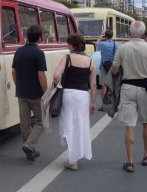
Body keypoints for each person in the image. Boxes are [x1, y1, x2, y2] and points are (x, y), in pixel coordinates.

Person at [53, 34, 97, 171]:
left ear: (73, 45)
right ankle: (75, 157)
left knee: (68, 124)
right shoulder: (90, 61)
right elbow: (94, 84)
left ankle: (72, 160)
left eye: (68, 44)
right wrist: (93, 102)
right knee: (81, 124)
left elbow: (56, 76)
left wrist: (58, 85)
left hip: (69, 94)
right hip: (84, 95)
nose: (67, 46)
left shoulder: (67, 58)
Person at [111, 20, 147, 172]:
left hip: (128, 87)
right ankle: (146, 156)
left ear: (130, 33)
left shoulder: (123, 47)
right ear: (144, 34)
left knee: (130, 126)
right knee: (146, 123)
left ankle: (130, 162)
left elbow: (114, 70)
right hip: (145, 88)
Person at [12, 25, 47, 161]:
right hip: (36, 94)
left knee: (24, 123)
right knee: (40, 121)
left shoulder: (19, 52)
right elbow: (41, 76)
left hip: (21, 93)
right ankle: (29, 145)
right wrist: (46, 91)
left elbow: (14, 72)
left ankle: (29, 149)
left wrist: (19, 85)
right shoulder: (39, 53)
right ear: (39, 38)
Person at [96, 28, 119, 110]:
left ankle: (104, 105)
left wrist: (100, 38)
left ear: (105, 36)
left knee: (104, 85)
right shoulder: (116, 44)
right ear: (112, 35)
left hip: (104, 67)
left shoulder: (102, 44)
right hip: (114, 67)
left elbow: (96, 45)